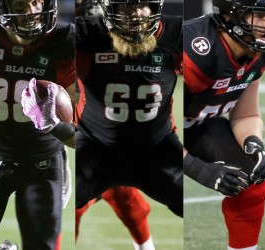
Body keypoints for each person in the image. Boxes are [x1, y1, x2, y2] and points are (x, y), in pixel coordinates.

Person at [0, 0, 75, 249]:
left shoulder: (65, 41)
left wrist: (55, 126)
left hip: (41, 162)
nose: (31, 10)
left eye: (37, 1)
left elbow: (89, 136)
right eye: (20, 3)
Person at [183, 0, 265, 249]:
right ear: (230, 16)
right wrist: (200, 170)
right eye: (260, 17)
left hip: (196, 124)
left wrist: (254, 143)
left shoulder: (258, 51)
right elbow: (156, 131)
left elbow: (245, 114)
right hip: (146, 129)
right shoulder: (195, 51)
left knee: (251, 183)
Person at [75, 0, 183, 235]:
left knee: (191, 194)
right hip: (96, 148)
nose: (136, 14)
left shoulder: (177, 35)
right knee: (61, 201)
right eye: (126, 6)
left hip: (157, 148)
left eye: (144, 5)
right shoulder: (89, 34)